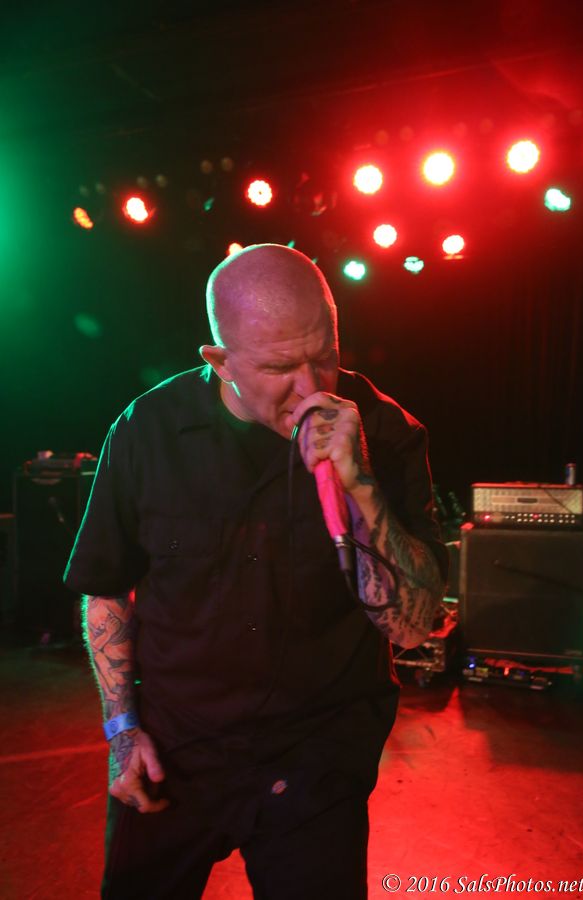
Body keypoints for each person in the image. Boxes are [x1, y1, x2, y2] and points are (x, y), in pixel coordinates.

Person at [64, 243, 447, 900]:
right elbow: (106, 589)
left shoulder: (385, 430)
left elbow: (412, 629)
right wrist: (123, 730)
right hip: (178, 749)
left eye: (323, 356)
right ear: (220, 361)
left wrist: (360, 487)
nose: (310, 388)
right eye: (278, 367)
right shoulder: (147, 431)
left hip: (319, 757)